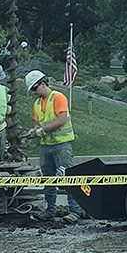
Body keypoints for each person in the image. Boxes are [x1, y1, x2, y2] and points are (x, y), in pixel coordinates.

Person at [25, 69, 83, 224]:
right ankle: (50, 210)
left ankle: (75, 211)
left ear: (42, 84)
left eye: (34, 89)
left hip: (62, 145)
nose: (34, 92)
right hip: (46, 146)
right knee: (48, 179)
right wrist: (34, 131)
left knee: (67, 177)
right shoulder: (37, 104)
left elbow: (61, 120)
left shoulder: (58, 98)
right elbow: (38, 123)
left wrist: (41, 130)